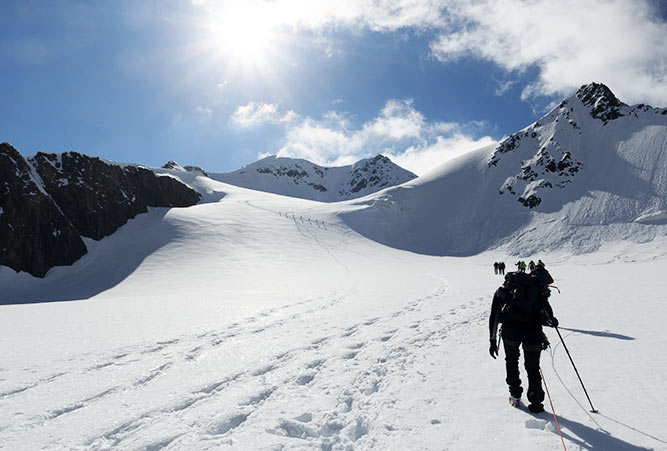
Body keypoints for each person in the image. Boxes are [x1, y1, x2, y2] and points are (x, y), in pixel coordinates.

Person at [489, 269, 558, 413]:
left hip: (510, 331)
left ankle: (515, 395)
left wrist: (493, 340)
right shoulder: (537, 289)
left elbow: (494, 316)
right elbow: (546, 316)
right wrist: (552, 320)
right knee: (533, 367)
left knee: (512, 360)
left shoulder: (504, 290)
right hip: (533, 331)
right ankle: (536, 402)